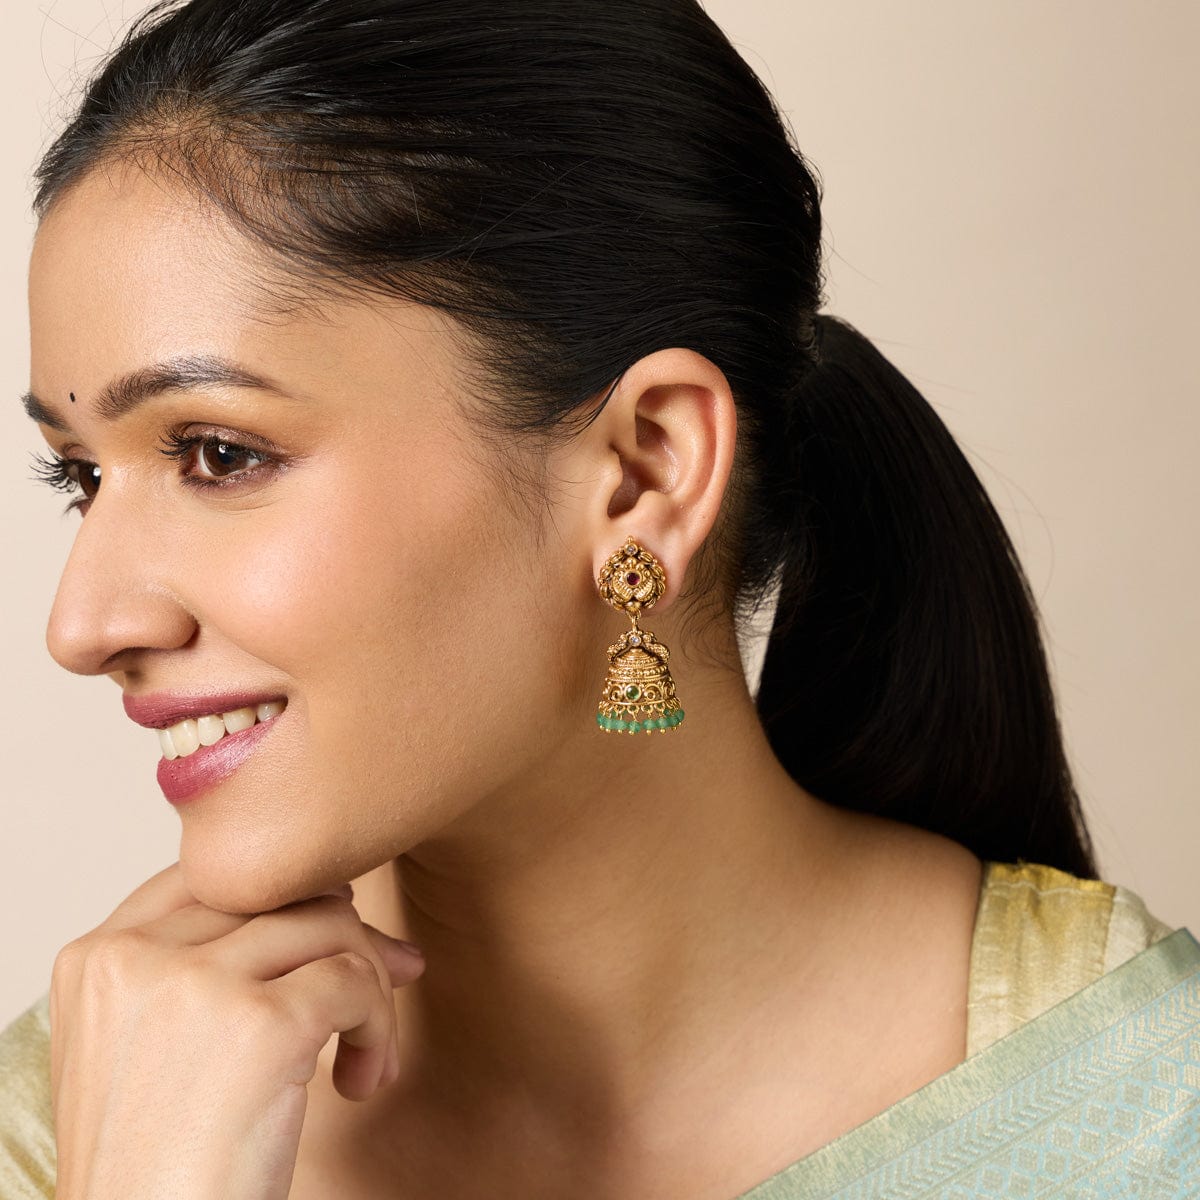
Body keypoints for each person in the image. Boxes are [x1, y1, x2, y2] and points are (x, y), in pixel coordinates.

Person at [2, 1, 1197, 1196]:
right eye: (80, 477)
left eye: (219, 454)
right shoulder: (74, 1132)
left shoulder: (1143, 1115)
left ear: (644, 474)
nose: (84, 624)